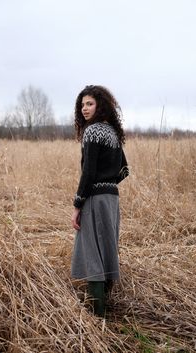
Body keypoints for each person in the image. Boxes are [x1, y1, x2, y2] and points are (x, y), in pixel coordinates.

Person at [71, 85, 129, 317]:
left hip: (95, 198)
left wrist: (78, 203)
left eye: (90, 104)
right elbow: (124, 170)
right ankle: (105, 307)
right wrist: (109, 185)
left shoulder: (93, 131)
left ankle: (97, 315)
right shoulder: (113, 132)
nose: (84, 109)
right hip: (111, 199)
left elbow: (89, 173)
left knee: (92, 253)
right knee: (107, 249)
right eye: (82, 105)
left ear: (101, 105)